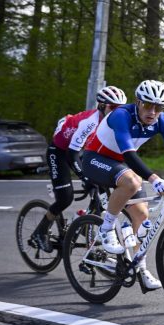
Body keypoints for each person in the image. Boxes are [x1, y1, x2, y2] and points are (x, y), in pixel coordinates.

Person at [82, 80, 164, 290]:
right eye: (147, 105)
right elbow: (129, 154)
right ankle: (106, 229)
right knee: (132, 180)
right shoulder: (121, 116)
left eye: (159, 107)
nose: (153, 112)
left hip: (120, 164)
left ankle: (140, 269)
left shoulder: (163, 121)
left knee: (142, 216)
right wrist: (155, 179)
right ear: (137, 102)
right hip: (95, 158)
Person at [31, 86, 128, 253]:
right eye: (113, 107)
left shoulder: (114, 122)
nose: (117, 111)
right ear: (101, 106)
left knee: (103, 187)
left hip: (85, 152)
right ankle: (39, 232)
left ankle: (85, 221)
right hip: (61, 151)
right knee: (65, 198)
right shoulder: (90, 122)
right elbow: (72, 154)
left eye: (121, 108)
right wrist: (84, 177)